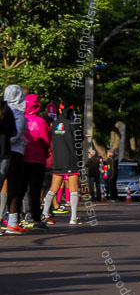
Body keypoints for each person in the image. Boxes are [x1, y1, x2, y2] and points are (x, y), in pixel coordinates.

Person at [41, 103, 83, 225]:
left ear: (60, 110)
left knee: (53, 188)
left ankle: (45, 213)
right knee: (73, 188)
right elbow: (80, 140)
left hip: (57, 159)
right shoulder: (74, 124)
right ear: (72, 111)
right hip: (71, 159)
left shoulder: (53, 125)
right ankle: (74, 217)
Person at [1, 85, 28, 233]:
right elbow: (15, 135)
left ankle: (7, 220)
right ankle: (12, 222)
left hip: (4, 152)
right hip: (15, 153)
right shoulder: (17, 113)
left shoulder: (4, 111)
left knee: (5, 188)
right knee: (13, 189)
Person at [23, 94, 52, 223]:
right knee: (35, 190)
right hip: (38, 159)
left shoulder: (21, 120)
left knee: (21, 189)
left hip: (23, 158)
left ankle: (20, 215)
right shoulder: (40, 122)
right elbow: (47, 140)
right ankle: (35, 216)